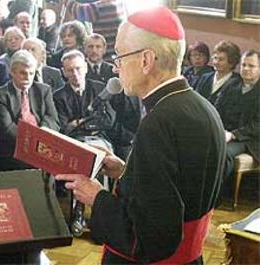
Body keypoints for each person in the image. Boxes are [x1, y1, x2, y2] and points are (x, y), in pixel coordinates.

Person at [56, 7, 225, 264]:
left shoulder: (158, 123)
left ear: (146, 60)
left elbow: (149, 237)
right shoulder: (202, 107)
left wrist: (97, 197)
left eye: (120, 57)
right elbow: (177, 188)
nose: (116, 68)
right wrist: (125, 171)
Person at [0, 49, 60, 171]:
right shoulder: (0, 94)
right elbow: (7, 128)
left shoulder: (43, 90)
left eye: (31, 73)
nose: (28, 77)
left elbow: (52, 119)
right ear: (12, 72)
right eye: (23, 73)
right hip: (14, 145)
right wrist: (31, 143)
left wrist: (42, 134)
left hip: (42, 143)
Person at [220, 50, 260, 199]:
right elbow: (217, 110)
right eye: (244, 65)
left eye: (252, 66)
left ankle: (218, 195)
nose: (246, 69)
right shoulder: (232, 85)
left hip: (248, 138)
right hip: (225, 132)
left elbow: (257, 126)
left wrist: (233, 134)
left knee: (223, 152)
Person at [53, 50, 115, 138]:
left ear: (85, 68)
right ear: (64, 72)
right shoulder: (58, 97)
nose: (75, 74)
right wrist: (91, 120)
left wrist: (78, 123)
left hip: (99, 138)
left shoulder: (100, 88)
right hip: (74, 141)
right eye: (70, 70)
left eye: (78, 68)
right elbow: (63, 128)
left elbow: (108, 120)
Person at [195, 40, 241, 105]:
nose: (216, 62)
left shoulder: (237, 82)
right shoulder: (205, 77)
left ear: (231, 62)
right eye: (215, 58)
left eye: (221, 59)